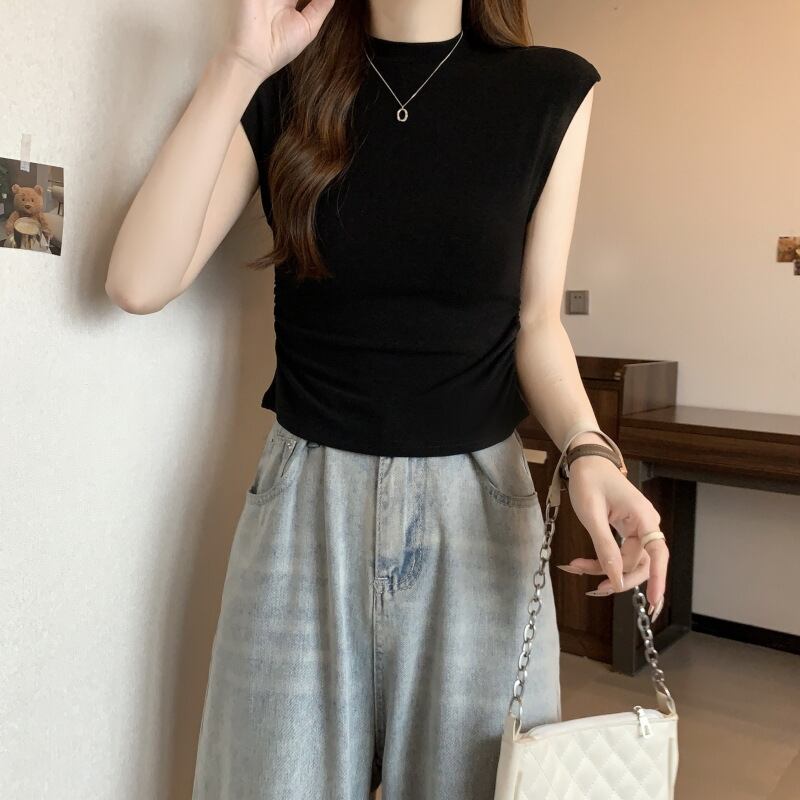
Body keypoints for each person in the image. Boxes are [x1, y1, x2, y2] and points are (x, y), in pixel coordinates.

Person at [106, 0, 670, 798]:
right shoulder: (285, 85)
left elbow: (537, 322)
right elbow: (137, 281)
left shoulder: (551, 92)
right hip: (305, 509)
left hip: (478, 518)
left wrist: (587, 449)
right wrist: (238, 66)